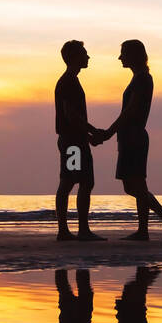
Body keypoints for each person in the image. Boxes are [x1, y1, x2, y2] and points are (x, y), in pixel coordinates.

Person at [92, 39, 162, 240]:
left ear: (134, 55)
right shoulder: (139, 78)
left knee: (136, 185)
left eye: (123, 53)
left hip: (134, 137)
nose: (120, 57)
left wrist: (108, 133)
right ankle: (154, 224)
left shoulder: (142, 79)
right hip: (130, 136)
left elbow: (129, 111)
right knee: (133, 186)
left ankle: (154, 224)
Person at [54, 40, 104, 241]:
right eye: (84, 53)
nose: (88, 57)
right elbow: (71, 115)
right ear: (74, 57)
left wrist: (88, 135)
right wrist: (92, 131)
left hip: (75, 140)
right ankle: (72, 230)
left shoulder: (70, 80)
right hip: (73, 142)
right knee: (73, 181)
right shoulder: (68, 82)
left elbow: (73, 116)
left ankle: (70, 230)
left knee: (78, 181)